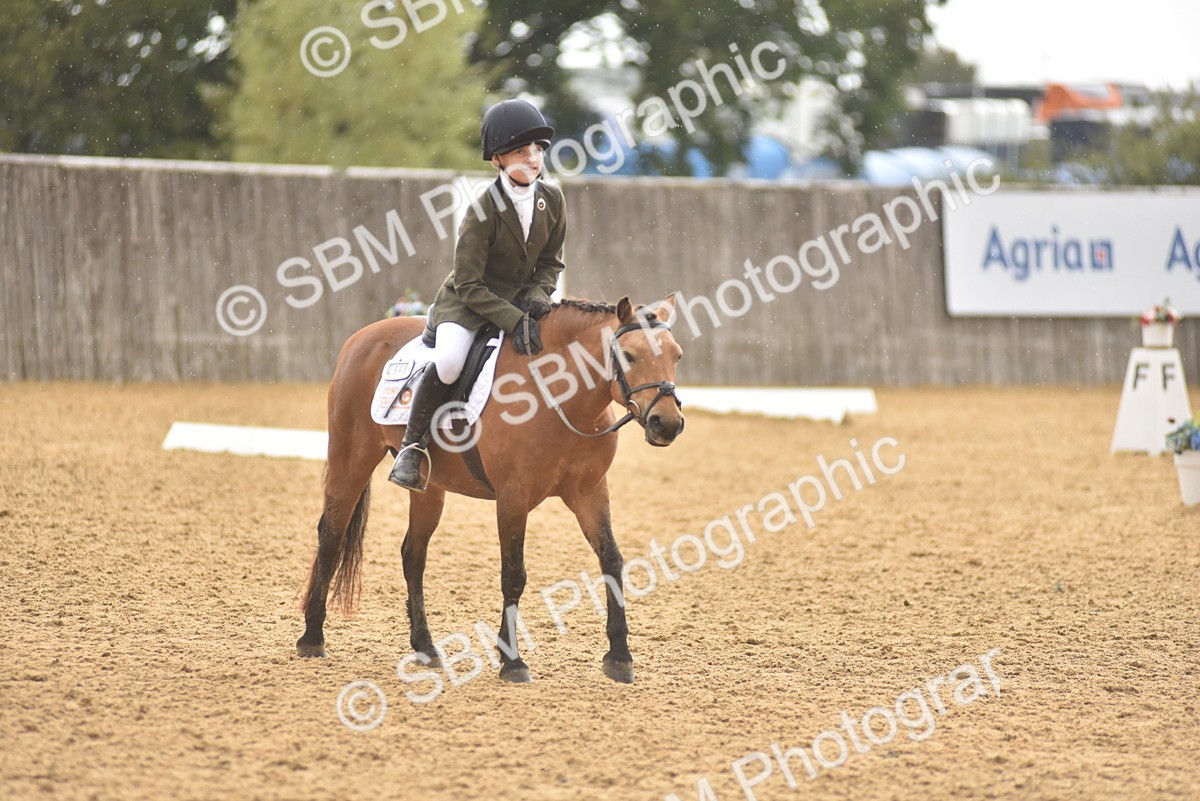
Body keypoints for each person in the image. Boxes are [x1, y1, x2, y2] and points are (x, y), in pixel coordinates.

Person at [388, 98, 567, 491]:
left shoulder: (552, 200)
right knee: (450, 362)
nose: (533, 158)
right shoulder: (481, 210)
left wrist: (538, 297)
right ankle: (412, 447)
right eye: (521, 151)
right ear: (497, 161)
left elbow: (551, 263)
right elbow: (469, 284)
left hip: (523, 304)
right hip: (469, 303)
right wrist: (512, 317)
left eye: (537, 149)